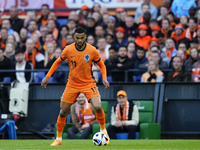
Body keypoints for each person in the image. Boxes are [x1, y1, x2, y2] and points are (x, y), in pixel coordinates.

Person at [41, 27, 110, 146]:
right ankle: (58, 139)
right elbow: (57, 61)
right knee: (63, 112)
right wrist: (47, 76)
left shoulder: (92, 50)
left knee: (98, 107)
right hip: (72, 84)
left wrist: (104, 78)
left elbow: (102, 66)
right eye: (77, 38)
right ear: (74, 37)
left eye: (81, 38)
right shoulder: (68, 49)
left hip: (88, 83)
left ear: (85, 37)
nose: (79, 40)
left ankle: (104, 131)